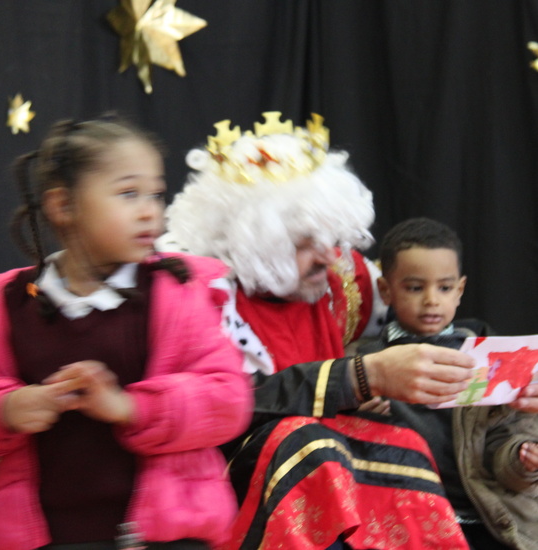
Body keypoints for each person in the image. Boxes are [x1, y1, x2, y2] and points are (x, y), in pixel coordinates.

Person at [158, 112, 476, 549]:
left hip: (329, 453)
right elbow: (219, 407)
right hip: (233, 473)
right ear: (255, 243)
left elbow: (430, 319)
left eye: (331, 236)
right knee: (306, 444)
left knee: (402, 440)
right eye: (306, 242)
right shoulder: (200, 298)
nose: (329, 256)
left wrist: (496, 375)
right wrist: (361, 377)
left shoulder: (341, 284)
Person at [0, 116, 252, 550]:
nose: (151, 210)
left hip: (164, 540)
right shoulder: (7, 303)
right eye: (129, 194)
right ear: (62, 206)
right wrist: (8, 408)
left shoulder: (177, 291)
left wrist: (130, 407)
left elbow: (228, 399)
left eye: (156, 193)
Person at [358, 217, 538, 550]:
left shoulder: (488, 356)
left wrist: (524, 461)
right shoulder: (364, 363)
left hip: (481, 515)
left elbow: (505, 442)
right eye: (414, 287)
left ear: (460, 290)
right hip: (397, 519)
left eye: (444, 287)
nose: (431, 300)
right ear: (385, 290)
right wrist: (355, 410)